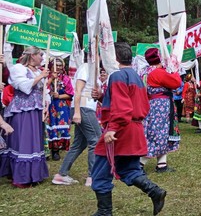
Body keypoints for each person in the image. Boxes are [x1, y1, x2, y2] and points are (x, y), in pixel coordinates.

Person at [90, 42, 167, 215]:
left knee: (101, 171)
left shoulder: (117, 76)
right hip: (134, 129)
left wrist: (112, 128)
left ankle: (104, 212)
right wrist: (103, 97)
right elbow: (135, 105)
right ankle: (155, 191)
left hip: (119, 131)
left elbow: (123, 108)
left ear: (113, 57)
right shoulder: (136, 75)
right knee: (128, 169)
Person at [1, 46, 49, 188]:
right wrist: (40, 77)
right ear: (32, 56)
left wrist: (45, 105)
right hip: (22, 110)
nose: (42, 58)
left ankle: (33, 174)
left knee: (34, 140)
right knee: (23, 140)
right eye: (40, 55)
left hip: (36, 109)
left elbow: (43, 91)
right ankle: (20, 176)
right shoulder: (19, 69)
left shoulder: (39, 71)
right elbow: (23, 87)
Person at [52, 60, 102, 186]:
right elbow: (78, 91)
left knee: (79, 144)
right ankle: (93, 176)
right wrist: (77, 112)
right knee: (96, 140)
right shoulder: (86, 67)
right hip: (84, 108)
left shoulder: (94, 69)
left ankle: (61, 174)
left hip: (86, 108)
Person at [140, 48, 182, 172]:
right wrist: (173, 70)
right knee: (158, 133)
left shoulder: (145, 72)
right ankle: (140, 164)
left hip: (151, 103)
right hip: (161, 106)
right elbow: (176, 82)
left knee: (159, 132)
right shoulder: (158, 72)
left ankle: (162, 164)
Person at [46, 58, 74, 161]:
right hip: (49, 105)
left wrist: (59, 96)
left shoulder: (66, 79)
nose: (58, 67)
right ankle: (48, 150)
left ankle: (57, 149)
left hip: (61, 106)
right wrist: (51, 79)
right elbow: (42, 89)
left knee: (59, 126)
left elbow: (70, 94)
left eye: (59, 65)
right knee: (49, 126)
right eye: (55, 65)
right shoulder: (46, 77)